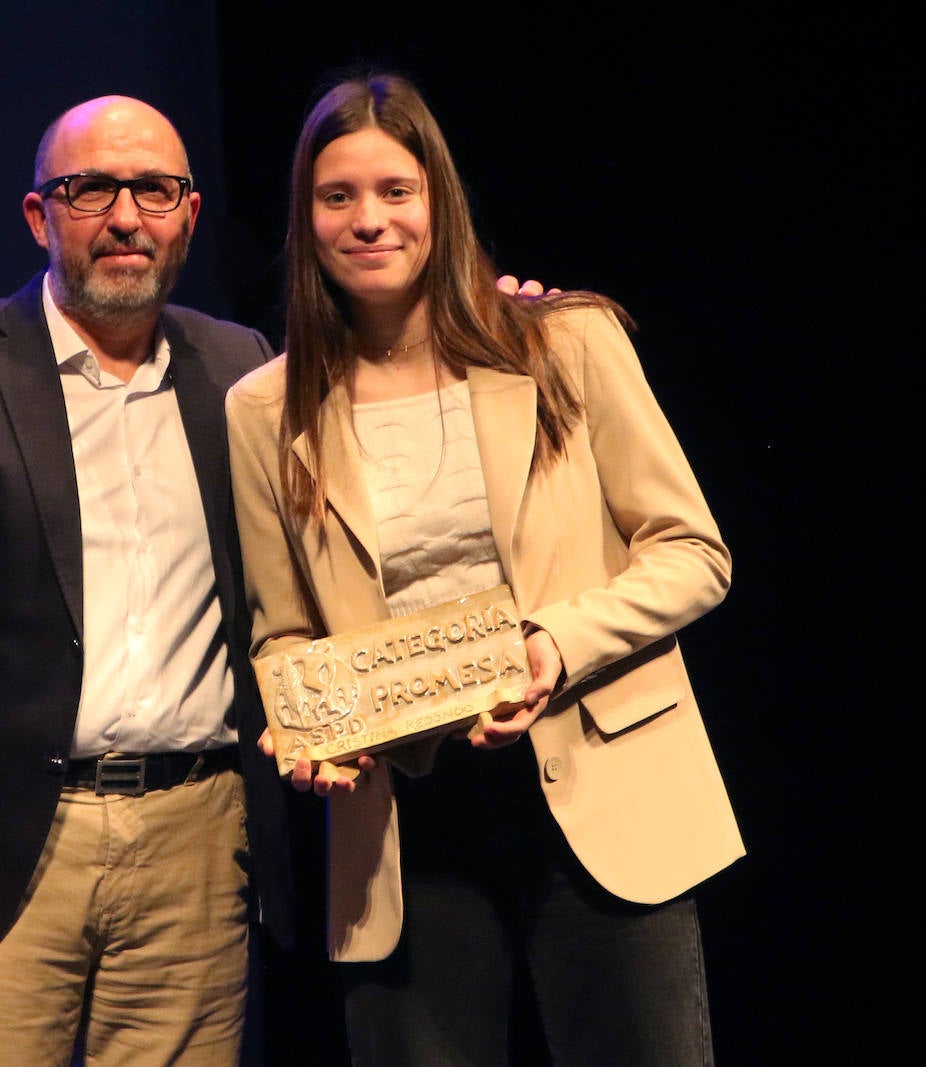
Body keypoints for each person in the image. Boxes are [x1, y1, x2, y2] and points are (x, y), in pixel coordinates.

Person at [225, 72, 744, 1065]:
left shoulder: (562, 341)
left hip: (601, 789)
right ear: (307, 217)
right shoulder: (264, 407)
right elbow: (282, 629)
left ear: (438, 203)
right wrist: (310, 727)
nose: (369, 220)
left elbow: (691, 551)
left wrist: (553, 645)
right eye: (338, 197)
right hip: (405, 832)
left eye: (395, 192)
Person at [0, 94, 300, 1066]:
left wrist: (505, 328)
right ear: (42, 215)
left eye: (155, 190)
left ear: (190, 214)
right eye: (93, 189)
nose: (126, 216)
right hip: (3, 856)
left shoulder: (240, 369)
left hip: (198, 843)